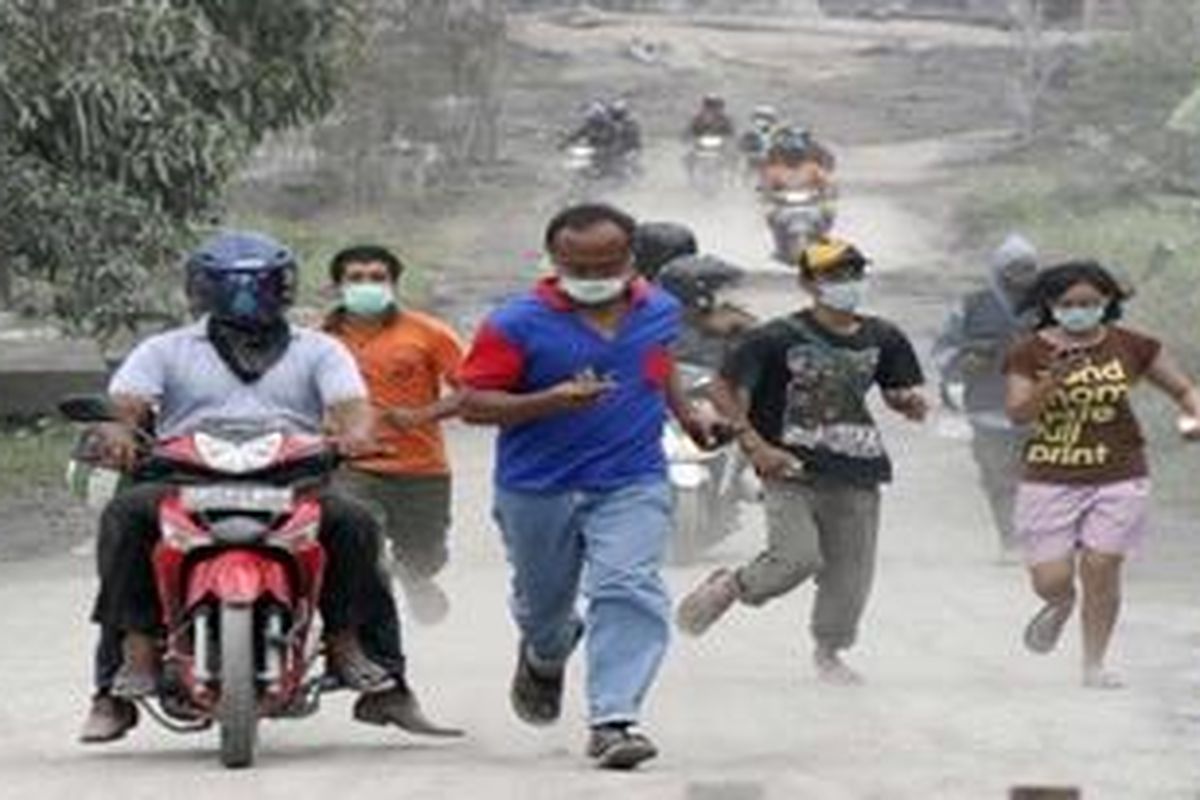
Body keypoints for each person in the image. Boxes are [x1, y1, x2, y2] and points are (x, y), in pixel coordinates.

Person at [80, 231, 460, 743]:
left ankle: (363, 660)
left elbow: (353, 408)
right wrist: (117, 434)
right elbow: (124, 408)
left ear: (282, 288)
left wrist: (355, 434)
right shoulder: (164, 349)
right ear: (201, 289)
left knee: (357, 521)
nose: (245, 298)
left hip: (294, 476)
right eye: (230, 286)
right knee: (125, 517)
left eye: (258, 285)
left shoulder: (319, 349)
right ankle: (127, 666)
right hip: (183, 476)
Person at [458, 204, 722, 770]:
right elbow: (473, 403)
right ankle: (545, 654)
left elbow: (658, 363)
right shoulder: (515, 322)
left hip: (630, 479)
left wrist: (688, 416)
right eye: (579, 264)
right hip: (537, 486)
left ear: (632, 259)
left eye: (608, 262)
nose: (594, 274)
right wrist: (547, 401)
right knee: (545, 611)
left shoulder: (659, 308)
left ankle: (614, 720)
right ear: (555, 260)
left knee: (627, 585)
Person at [675, 238, 928, 685]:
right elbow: (722, 390)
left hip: (858, 468)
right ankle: (733, 585)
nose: (845, 284)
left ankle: (829, 653)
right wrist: (755, 446)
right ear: (809, 283)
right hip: (791, 468)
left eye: (852, 274)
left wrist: (907, 402)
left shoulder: (883, 336)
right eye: (833, 276)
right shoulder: (774, 338)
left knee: (850, 576)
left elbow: (894, 389)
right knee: (796, 558)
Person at [1004, 261, 1200, 688]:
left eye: (1088, 303)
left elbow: (1184, 389)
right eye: (1068, 304)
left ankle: (1094, 664)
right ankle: (1059, 605)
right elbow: (1019, 414)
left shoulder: (1134, 346)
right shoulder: (1028, 352)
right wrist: (1051, 381)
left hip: (1120, 473)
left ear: (1107, 303)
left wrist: (1192, 417)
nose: (1078, 310)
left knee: (1101, 565)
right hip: (1049, 477)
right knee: (1051, 579)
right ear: (1050, 306)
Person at [324, 245, 465, 626]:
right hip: (351, 465)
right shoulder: (317, 340)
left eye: (377, 278)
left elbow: (472, 391)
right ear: (337, 285)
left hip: (422, 467)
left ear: (394, 284)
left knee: (428, 553)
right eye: (355, 278)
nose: (366, 285)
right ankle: (372, 625)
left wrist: (420, 415)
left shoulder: (431, 333)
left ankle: (415, 575)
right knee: (360, 539)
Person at [933, 234, 1041, 559]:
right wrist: (966, 360)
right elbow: (943, 351)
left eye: (1028, 269)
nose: (1021, 276)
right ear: (998, 270)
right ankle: (1010, 540)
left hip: (1041, 409)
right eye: (1014, 269)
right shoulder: (971, 306)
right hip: (987, 406)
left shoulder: (1050, 306)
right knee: (997, 476)